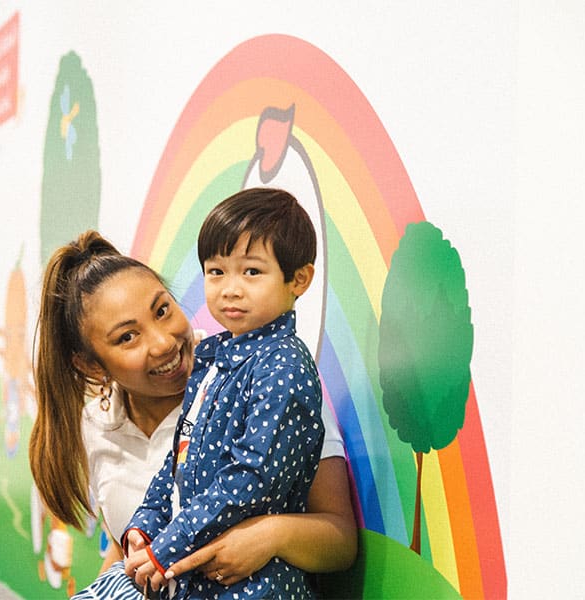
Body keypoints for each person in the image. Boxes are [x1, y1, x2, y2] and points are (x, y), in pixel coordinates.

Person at [28, 226, 356, 599]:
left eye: (162, 310)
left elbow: (341, 541)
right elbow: (128, 555)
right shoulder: (96, 428)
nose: (164, 342)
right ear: (90, 365)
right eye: (127, 337)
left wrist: (268, 535)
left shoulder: (266, 382)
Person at [121, 187, 327, 598]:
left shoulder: (283, 366)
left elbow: (253, 478)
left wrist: (169, 545)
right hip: (199, 577)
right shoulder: (215, 358)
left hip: (255, 586)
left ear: (298, 280)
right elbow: (181, 455)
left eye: (251, 272)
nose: (230, 289)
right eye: (216, 272)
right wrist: (146, 523)